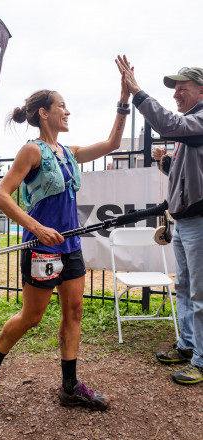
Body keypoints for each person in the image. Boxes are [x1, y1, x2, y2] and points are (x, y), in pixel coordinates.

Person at [0, 68, 131, 412]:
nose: (68, 111)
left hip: (71, 246)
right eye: (62, 106)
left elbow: (113, 145)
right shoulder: (31, 151)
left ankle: (70, 386)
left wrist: (123, 100)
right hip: (42, 248)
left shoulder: (69, 152)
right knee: (32, 318)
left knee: (74, 311)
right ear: (44, 113)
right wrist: (36, 228)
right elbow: (1, 196)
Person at [116, 55, 203, 386]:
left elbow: (170, 125)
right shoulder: (191, 129)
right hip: (185, 223)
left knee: (200, 293)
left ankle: (202, 360)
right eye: (174, 90)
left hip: (199, 223)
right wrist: (167, 163)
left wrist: (136, 92)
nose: (176, 95)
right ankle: (188, 346)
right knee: (184, 287)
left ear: (202, 90)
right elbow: (187, 180)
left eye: (182, 89)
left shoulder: (197, 121)